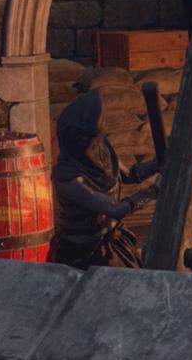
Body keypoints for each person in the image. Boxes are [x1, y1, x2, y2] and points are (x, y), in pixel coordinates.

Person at [48, 89, 160, 269]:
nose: (95, 144)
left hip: (112, 239)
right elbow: (114, 209)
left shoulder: (100, 149)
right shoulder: (69, 179)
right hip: (85, 252)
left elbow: (129, 175)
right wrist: (153, 192)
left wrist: (158, 164)